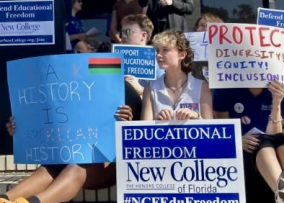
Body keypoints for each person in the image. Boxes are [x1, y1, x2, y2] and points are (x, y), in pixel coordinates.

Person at [0, 82, 141, 203]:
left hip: (110, 164)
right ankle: (4, 198)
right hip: (74, 156)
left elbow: (140, 136)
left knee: (76, 166)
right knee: (52, 166)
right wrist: (21, 127)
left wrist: (126, 125)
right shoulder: (66, 87)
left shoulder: (121, 87)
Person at [213, 84, 284, 203]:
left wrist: (276, 103)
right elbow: (222, 130)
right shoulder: (225, 88)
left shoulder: (283, 92)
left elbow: (274, 135)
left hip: (267, 144)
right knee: (264, 140)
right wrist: (236, 140)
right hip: (242, 147)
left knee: (282, 139)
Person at [141, 29, 213, 120]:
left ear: (182, 55)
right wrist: (157, 120)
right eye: (157, 50)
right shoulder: (150, 88)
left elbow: (211, 127)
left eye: (165, 50)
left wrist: (196, 116)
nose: (159, 55)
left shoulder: (201, 87)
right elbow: (144, 129)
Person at [119, 14, 164, 96]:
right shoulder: (116, 58)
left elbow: (163, 93)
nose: (124, 36)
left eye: (128, 32)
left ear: (143, 36)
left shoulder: (157, 60)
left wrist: (141, 90)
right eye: (122, 32)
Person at [192, 13, 223, 81]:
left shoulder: (227, 53)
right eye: (197, 26)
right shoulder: (192, 53)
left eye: (204, 26)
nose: (198, 29)